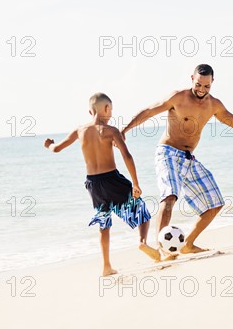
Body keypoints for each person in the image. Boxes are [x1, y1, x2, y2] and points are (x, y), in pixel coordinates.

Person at [121, 64, 233, 257]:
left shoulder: (214, 105)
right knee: (170, 196)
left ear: (212, 83)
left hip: (189, 159)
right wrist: (124, 131)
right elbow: (148, 112)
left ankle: (187, 244)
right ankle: (162, 248)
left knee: (215, 204)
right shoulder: (178, 97)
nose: (202, 90)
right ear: (192, 79)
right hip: (168, 153)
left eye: (207, 86)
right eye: (198, 85)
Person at [44, 92, 160, 276]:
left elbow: (57, 148)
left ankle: (106, 266)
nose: (111, 113)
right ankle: (142, 242)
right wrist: (136, 183)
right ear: (106, 109)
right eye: (111, 109)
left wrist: (49, 144)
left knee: (104, 223)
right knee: (141, 211)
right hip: (112, 179)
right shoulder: (111, 131)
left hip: (93, 183)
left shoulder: (79, 131)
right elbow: (126, 156)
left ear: (90, 112)